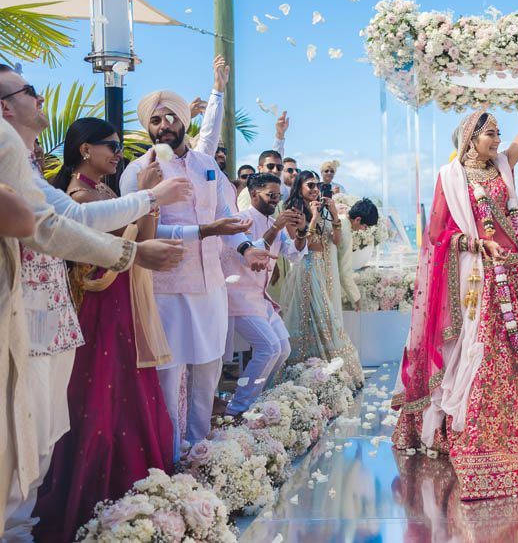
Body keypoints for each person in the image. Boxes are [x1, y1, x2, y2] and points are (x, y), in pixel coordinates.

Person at [391, 102, 518, 501]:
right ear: (470, 139)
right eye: (490, 134)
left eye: (498, 133)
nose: (497, 140)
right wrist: (475, 244)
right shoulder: (451, 177)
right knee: (479, 353)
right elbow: (437, 234)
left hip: (513, 273)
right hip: (479, 278)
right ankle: (477, 438)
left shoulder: (502, 166)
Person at [0, 113, 183, 537]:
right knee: (47, 423)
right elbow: (58, 225)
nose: (119, 154)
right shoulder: (77, 193)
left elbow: (142, 234)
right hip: (86, 304)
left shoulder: (99, 189)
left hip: (66, 314)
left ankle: (22, 523)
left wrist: (148, 201)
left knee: (47, 431)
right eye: (112, 147)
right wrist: (147, 197)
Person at [121, 75, 273, 459]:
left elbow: (224, 217)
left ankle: (200, 452)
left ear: (184, 121)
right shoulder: (138, 171)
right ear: (148, 127)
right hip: (166, 288)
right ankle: (170, 459)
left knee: (208, 370)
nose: (165, 126)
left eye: (171, 117)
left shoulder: (207, 164)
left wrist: (245, 248)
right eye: (156, 120)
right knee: (168, 377)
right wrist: (203, 231)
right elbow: (138, 231)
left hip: (211, 286)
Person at [222, 173, 307, 415]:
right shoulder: (240, 220)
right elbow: (251, 255)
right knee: (269, 348)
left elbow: (293, 254)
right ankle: (238, 408)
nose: (275, 201)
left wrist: (302, 231)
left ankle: (259, 398)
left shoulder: (272, 223)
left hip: (260, 298)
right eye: (271, 195)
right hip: (237, 297)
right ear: (253, 194)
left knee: (283, 349)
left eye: (278, 196)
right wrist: (277, 227)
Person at [280, 170, 364, 387]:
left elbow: (336, 240)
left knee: (326, 315)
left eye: (317, 185)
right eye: (310, 185)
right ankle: (308, 371)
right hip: (307, 268)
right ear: (299, 187)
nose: (315, 189)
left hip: (325, 268)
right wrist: (313, 217)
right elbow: (299, 244)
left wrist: (333, 214)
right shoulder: (292, 211)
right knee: (314, 317)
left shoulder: (322, 208)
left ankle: (327, 372)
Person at [338, 198, 381, 312]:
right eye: (365, 226)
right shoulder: (345, 234)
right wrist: (356, 298)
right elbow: (344, 273)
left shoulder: (339, 219)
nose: (363, 230)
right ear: (358, 219)